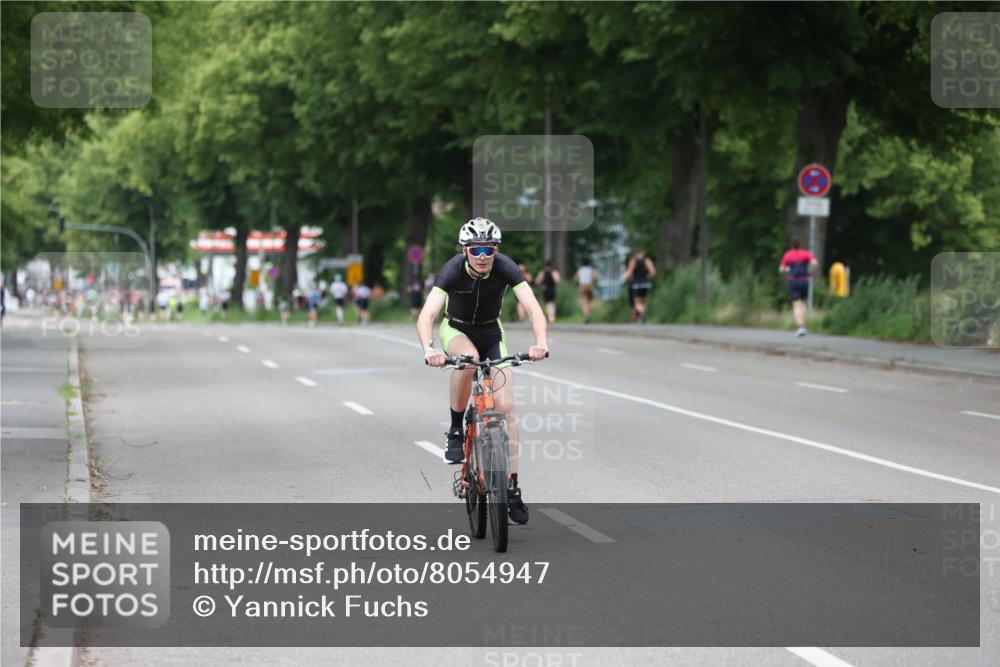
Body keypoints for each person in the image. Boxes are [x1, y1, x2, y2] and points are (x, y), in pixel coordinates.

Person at [417, 217, 548, 525]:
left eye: (487, 249)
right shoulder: (451, 270)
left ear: (496, 249)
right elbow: (427, 316)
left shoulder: (505, 267)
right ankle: (455, 429)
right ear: (465, 250)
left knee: (505, 406)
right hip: (457, 329)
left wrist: (540, 342)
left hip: (491, 332)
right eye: (475, 250)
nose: (482, 256)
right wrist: (430, 349)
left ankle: (511, 487)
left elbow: (533, 308)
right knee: (466, 357)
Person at [779, 237, 818, 337]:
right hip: (805, 281)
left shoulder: (788, 255)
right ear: (800, 244)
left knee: (796, 304)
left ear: (792, 245)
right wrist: (811, 273)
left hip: (793, 281)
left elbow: (781, 269)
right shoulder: (805, 253)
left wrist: (788, 269)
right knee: (802, 303)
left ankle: (800, 327)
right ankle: (803, 325)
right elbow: (815, 263)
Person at [623, 249, 656, 323]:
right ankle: (640, 318)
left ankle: (642, 312)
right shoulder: (647, 261)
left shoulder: (633, 261)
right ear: (643, 253)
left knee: (636, 302)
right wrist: (646, 277)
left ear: (635, 254)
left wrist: (627, 278)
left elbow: (629, 274)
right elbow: (653, 273)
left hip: (636, 284)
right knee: (642, 301)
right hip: (646, 284)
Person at [534, 260, 561, 324]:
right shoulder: (554, 272)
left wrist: (542, 285)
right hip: (552, 289)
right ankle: (552, 317)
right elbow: (558, 281)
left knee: (548, 303)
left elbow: (537, 282)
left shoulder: (542, 272)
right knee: (552, 303)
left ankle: (550, 317)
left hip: (545, 289)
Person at [574, 258, 596, 323]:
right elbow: (595, 277)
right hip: (589, 286)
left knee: (584, 302)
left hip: (583, 286)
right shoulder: (591, 269)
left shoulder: (580, 270)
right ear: (588, 263)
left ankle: (586, 316)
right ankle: (588, 315)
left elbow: (575, 279)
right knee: (588, 302)